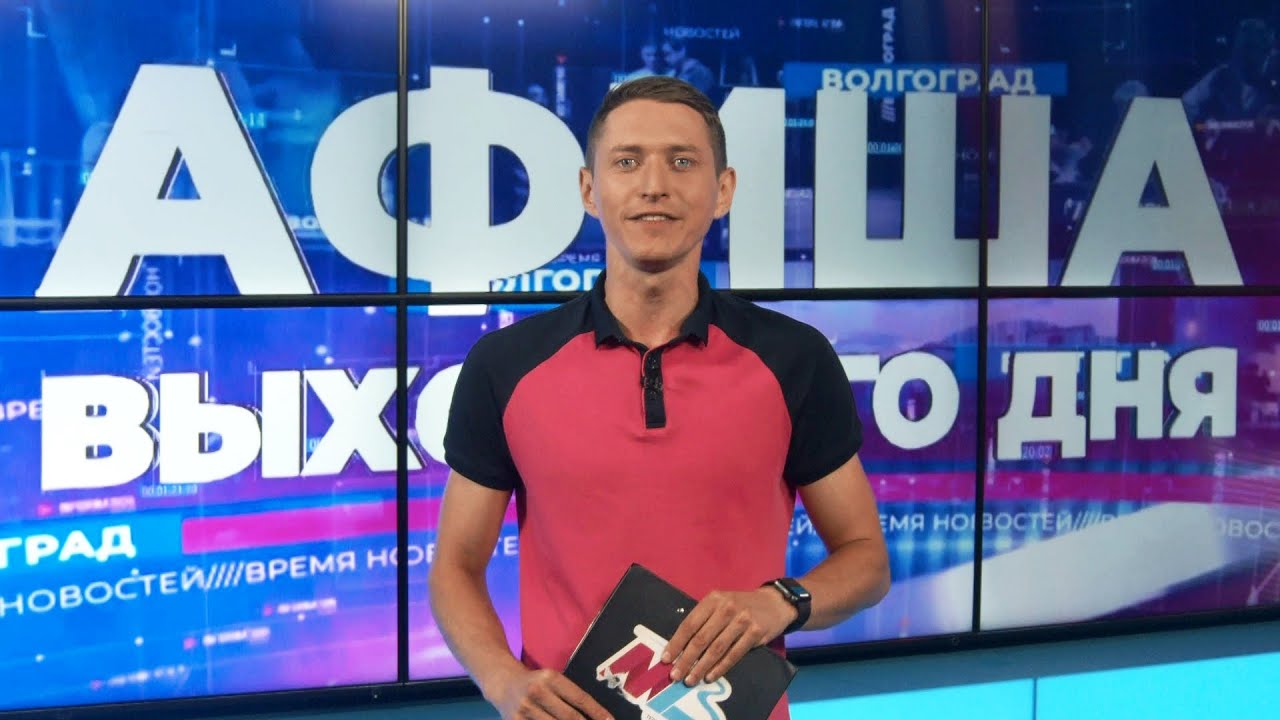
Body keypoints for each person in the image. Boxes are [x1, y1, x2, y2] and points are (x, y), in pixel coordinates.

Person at [428, 76, 890, 720]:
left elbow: (866, 560)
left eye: (681, 161)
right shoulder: (506, 365)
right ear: (589, 190)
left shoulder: (794, 359)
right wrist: (503, 680)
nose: (654, 185)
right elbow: (455, 566)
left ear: (722, 190)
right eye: (626, 161)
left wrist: (780, 601)